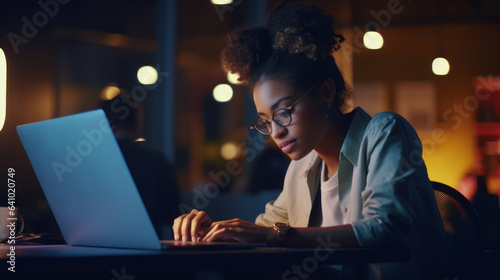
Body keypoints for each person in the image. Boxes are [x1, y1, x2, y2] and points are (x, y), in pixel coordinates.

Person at [173, 1, 448, 279]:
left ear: (326, 93)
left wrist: (273, 235)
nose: (276, 131)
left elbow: (383, 229)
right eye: (266, 121)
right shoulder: (302, 167)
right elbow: (266, 228)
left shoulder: (385, 132)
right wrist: (214, 231)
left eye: (283, 112)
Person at [99, 91, 180, 239]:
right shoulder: (156, 160)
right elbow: (172, 214)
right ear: (137, 121)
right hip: (148, 249)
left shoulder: (95, 162)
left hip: (100, 245)